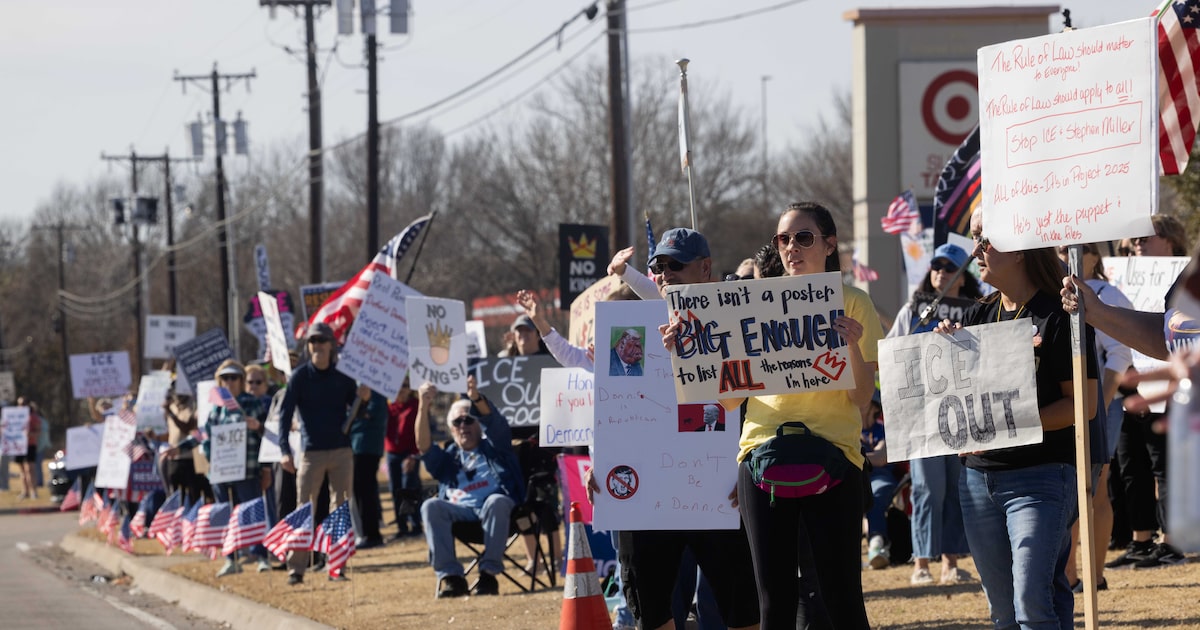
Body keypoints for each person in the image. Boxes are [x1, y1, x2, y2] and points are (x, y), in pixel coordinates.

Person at [668, 204, 879, 630]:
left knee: (842, 599)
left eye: (803, 238)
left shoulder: (853, 302)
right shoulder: (754, 303)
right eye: (783, 239)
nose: (791, 248)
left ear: (829, 244)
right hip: (760, 457)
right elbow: (726, 403)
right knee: (773, 602)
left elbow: (862, 399)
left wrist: (852, 347)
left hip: (835, 459)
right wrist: (687, 352)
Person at [943, 209, 1097, 629]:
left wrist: (1013, 425)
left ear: (1020, 249)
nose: (976, 250)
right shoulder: (976, 317)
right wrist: (944, 358)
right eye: (974, 238)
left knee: (1032, 603)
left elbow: (1083, 404)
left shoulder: (1062, 314)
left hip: (1041, 478)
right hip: (979, 482)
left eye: (985, 239)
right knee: (1005, 613)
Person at [625, 226, 760, 630]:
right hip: (650, 489)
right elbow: (617, 409)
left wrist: (747, 469)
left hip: (719, 488)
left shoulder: (740, 321)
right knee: (652, 609)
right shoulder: (628, 328)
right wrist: (607, 462)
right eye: (658, 266)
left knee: (741, 608)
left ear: (705, 268)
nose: (665, 274)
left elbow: (756, 405)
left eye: (675, 265)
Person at [886, 243, 983, 586]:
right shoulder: (911, 311)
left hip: (961, 413)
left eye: (948, 266)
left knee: (957, 488)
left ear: (961, 277)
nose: (940, 271)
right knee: (927, 487)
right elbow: (892, 356)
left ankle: (950, 563)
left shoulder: (975, 311)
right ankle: (921, 564)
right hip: (920, 415)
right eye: (936, 266)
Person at [1056, 243, 1133, 591]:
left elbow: (1119, 354)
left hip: (1101, 405)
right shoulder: (1051, 293)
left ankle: (1095, 575)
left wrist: (1094, 409)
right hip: (1064, 406)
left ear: (1094, 255)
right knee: (1065, 490)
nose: (1065, 253)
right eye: (1058, 247)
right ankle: (1068, 574)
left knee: (1095, 489)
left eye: (1075, 247)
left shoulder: (1107, 294)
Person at [278, 322, 372, 585]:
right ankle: (296, 569)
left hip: (342, 451)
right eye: (312, 341)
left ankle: (337, 566)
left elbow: (357, 416)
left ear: (332, 345)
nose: (317, 345)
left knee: (340, 509)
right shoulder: (299, 377)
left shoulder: (343, 377)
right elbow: (283, 417)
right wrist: (285, 451)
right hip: (311, 453)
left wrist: (362, 399)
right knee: (304, 509)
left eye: (322, 340)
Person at [417, 376, 524, 598]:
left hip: (496, 511)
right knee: (431, 506)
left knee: (497, 501)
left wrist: (475, 397)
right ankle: (452, 578)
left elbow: (495, 423)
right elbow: (423, 446)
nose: (463, 426)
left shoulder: (496, 448)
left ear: (479, 425)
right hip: (460, 514)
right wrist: (423, 404)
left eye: (469, 420)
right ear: (451, 429)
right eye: (457, 422)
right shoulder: (448, 457)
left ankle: (488, 575)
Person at [385, 377, 423, 539]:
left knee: (409, 488)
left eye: (406, 386)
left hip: (410, 453)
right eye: (399, 386)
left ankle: (415, 524)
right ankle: (402, 526)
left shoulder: (416, 406)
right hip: (392, 453)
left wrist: (414, 456)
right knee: (395, 489)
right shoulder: (389, 407)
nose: (402, 390)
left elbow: (419, 432)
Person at [350, 390, 388, 549]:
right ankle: (366, 532)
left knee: (366, 492)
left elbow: (373, 415)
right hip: (358, 447)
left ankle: (371, 534)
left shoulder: (376, 392)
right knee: (361, 491)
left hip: (366, 448)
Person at [13, 397, 41, 500]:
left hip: (30, 445)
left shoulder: (33, 417)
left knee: (30, 469)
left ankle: (34, 491)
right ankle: (25, 492)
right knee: (22, 470)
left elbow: (38, 432)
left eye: (23, 404)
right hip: (18, 446)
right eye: (19, 404)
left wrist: (31, 434)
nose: (21, 406)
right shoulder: (14, 417)